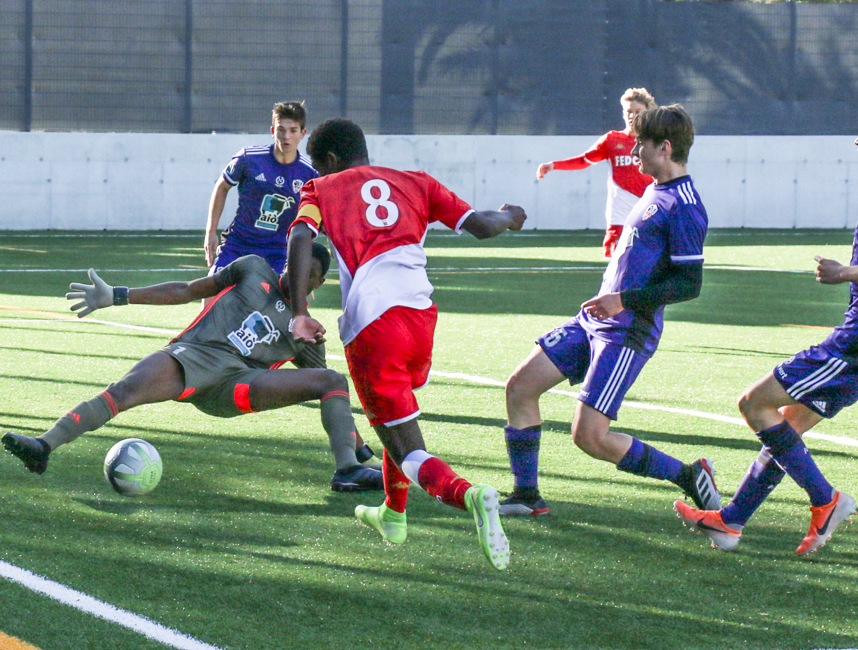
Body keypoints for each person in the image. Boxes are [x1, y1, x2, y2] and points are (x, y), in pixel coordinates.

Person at [284, 117, 527, 570]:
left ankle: (468, 495)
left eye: (317, 166)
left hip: (373, 324)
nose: (315, 174)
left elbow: (301, 236)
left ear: (330, 161)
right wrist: (510, 217)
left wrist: (300, 311)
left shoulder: (322, 188)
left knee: (405, 447)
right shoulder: (417, 182)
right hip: (420, 318)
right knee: (396, 419)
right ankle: (393, 514)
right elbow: (481, 225)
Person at [673, 85, 858, 555]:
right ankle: (731, 522)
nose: (857, 140)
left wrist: (844, 273)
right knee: (786, 426)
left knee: (754, 405)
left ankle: (826, 500)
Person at [1, 243, 383, 493]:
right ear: (287, 262)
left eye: (308, 274)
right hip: (193, 356)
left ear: (319, 281)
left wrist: (362, 451)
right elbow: (186, 290)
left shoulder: (307, 333)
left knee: (332, 378)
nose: (299, 276)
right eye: (295, 266)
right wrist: (118, 296)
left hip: (238, 386)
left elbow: (332, 396)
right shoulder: (252, 269)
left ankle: (347, 469)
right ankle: (43, 445)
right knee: (123, 391)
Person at [502, 104, 720, 520]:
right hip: (593, 321)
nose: (633, 151)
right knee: (520, 387)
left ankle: (689, 475)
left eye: (641, 144)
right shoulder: (652, 191)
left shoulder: (685, 204)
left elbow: (689, 285)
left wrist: (623, 301)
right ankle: (526, 495)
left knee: (589, 437)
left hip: (626, 332)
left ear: (665, 147)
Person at [537, 88, 658, 257]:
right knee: (618, 262)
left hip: (649, 208)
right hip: (620, 214)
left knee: (650, 260)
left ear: (647, 113)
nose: (632, 116)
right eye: (629, 111)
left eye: (638, 111)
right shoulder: (612, 139)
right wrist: (554, 165)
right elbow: (584, 160)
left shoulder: (656, 140)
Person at [204, 101, 318, 275]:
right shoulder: (248, 158)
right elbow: (222, 187)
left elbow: (317, 214)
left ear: (303, 133)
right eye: (281, 130)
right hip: (238, 245)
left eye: (293, 130)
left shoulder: (310, 173)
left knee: (281, 292)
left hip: (279, 252)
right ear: (272, 131)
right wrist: (211, 232)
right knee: (211, 291)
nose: (286, 136)